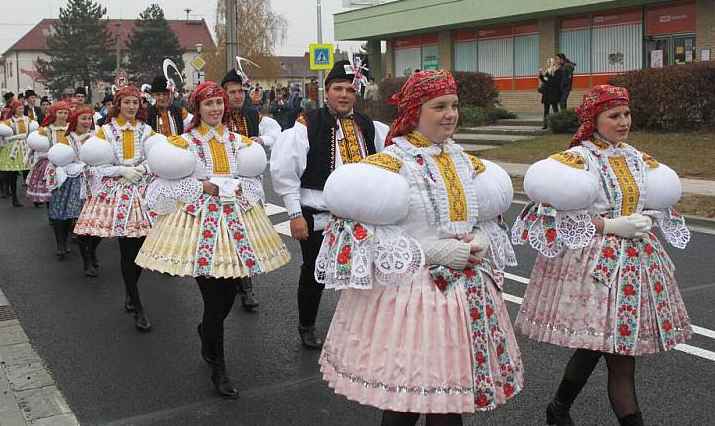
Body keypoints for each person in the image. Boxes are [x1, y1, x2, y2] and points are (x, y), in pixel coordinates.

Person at [316, 69, 522, 425]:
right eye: (439, 106)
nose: (451, 114)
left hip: (464, 299)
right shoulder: (391, 165)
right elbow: (365, 234)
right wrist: (437, 252)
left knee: (450, 404)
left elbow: (483, 218)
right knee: (405, 403)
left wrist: (480, 239)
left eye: (454, 105)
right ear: (415, 112)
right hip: (413, 297)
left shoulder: (464, 161)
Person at [512, 85, 691, 426]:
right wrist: (611, 225)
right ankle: (561, 409)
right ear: (594, 121)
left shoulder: (636, 157)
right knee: (612, 352)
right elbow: (556, 214)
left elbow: (650, 201)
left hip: (637, 263)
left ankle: (558, 408)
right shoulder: (579, 160)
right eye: (614, 116)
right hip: (595, 266)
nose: (623, 121)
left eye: (626, 114)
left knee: (605, 348)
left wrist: (645, 218)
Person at [136, 81, 291, 399]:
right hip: (201, 227)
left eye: (219, 103)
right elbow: (162, 181)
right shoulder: (183, 143)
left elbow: (251, 180)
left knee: (231, 292)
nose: (216, 108)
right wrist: (203, 186)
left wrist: (237, 186)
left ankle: (206, 332)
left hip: (236, 223)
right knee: (212, 298)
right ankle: (219, 367)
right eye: (209, 104)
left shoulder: (238, 141)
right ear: (198, 109)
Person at [270, 60, 388, 349]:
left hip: (361, 214)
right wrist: (295, 214)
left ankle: (356, 324)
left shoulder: (367, 125)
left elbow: (386, 162)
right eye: (338, 88)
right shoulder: (307, 124)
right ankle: (307, 324)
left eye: (350, 89)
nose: (344, 94)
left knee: (361, 270)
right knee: (314, 270)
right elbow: (286, 171)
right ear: (326, 91)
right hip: (318, 213)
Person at [74, 85, 156, 332]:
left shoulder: (147, 130)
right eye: (127, 102)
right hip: (118, 197)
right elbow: (92, 165)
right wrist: (119, 170)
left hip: (143, 194)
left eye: (135, 102)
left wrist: (144, 168)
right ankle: (137, 304)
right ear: (117, 105)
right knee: (127, 249)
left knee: (141, 249)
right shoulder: (104, 132)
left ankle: (131, 290)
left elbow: (160, 158)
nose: (131, 107)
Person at [221, 69, 283, 311]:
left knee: (245, 232)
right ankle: (240, 283)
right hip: (224, 183)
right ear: (224, 95)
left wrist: (261, 141)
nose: (238, 96)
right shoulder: (216, 114)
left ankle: (245, 285)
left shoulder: (252, 114)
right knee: (230, 233)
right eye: (232, 92)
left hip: (249, 184)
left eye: (240, 91)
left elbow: (275, 134)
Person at [42, 107, 95, 266]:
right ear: (75, 121)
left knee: (85, 220)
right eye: (83, 119)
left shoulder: (95, 138)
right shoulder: (67, 139)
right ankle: (61, 244)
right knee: (61, 216)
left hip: (90, 180)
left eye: (89, 119)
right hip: (69, 181)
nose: (87, 122)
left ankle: (89, 257)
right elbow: (58, 158)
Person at [26, 101, 71, 209]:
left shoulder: (71, 128)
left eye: (65, 113)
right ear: (54, 113)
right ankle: (50, 213)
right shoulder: (46, 129)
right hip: (49, 162)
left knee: (66, 190)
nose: (63, 115)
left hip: (69, 162)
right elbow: (39, 146)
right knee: (49, 190)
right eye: (60, 112)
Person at [0, 100, 34, 207]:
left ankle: (35, 196)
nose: (21, 110)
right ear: (14, 109)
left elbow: (34, 130)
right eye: (19, 108)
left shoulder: (28, 119)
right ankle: (14, 197)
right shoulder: (9, 121)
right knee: (13, 174)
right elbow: (3, 132)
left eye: (22, 108)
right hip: (14, 148)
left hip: (26, 146)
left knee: (31, 171)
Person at [538, 59, 562, 129]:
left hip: (554, 93)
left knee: (555, 108)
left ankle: (557, 124)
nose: (547, 64)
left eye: (548, 63)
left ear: (551, 63)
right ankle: (545, 125)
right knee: (546, 109)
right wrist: (541, 76)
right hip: (546, 93)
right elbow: (545, 81)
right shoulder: (547, 71)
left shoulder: (557, 71)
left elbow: (557, 82)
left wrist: (547, 79)